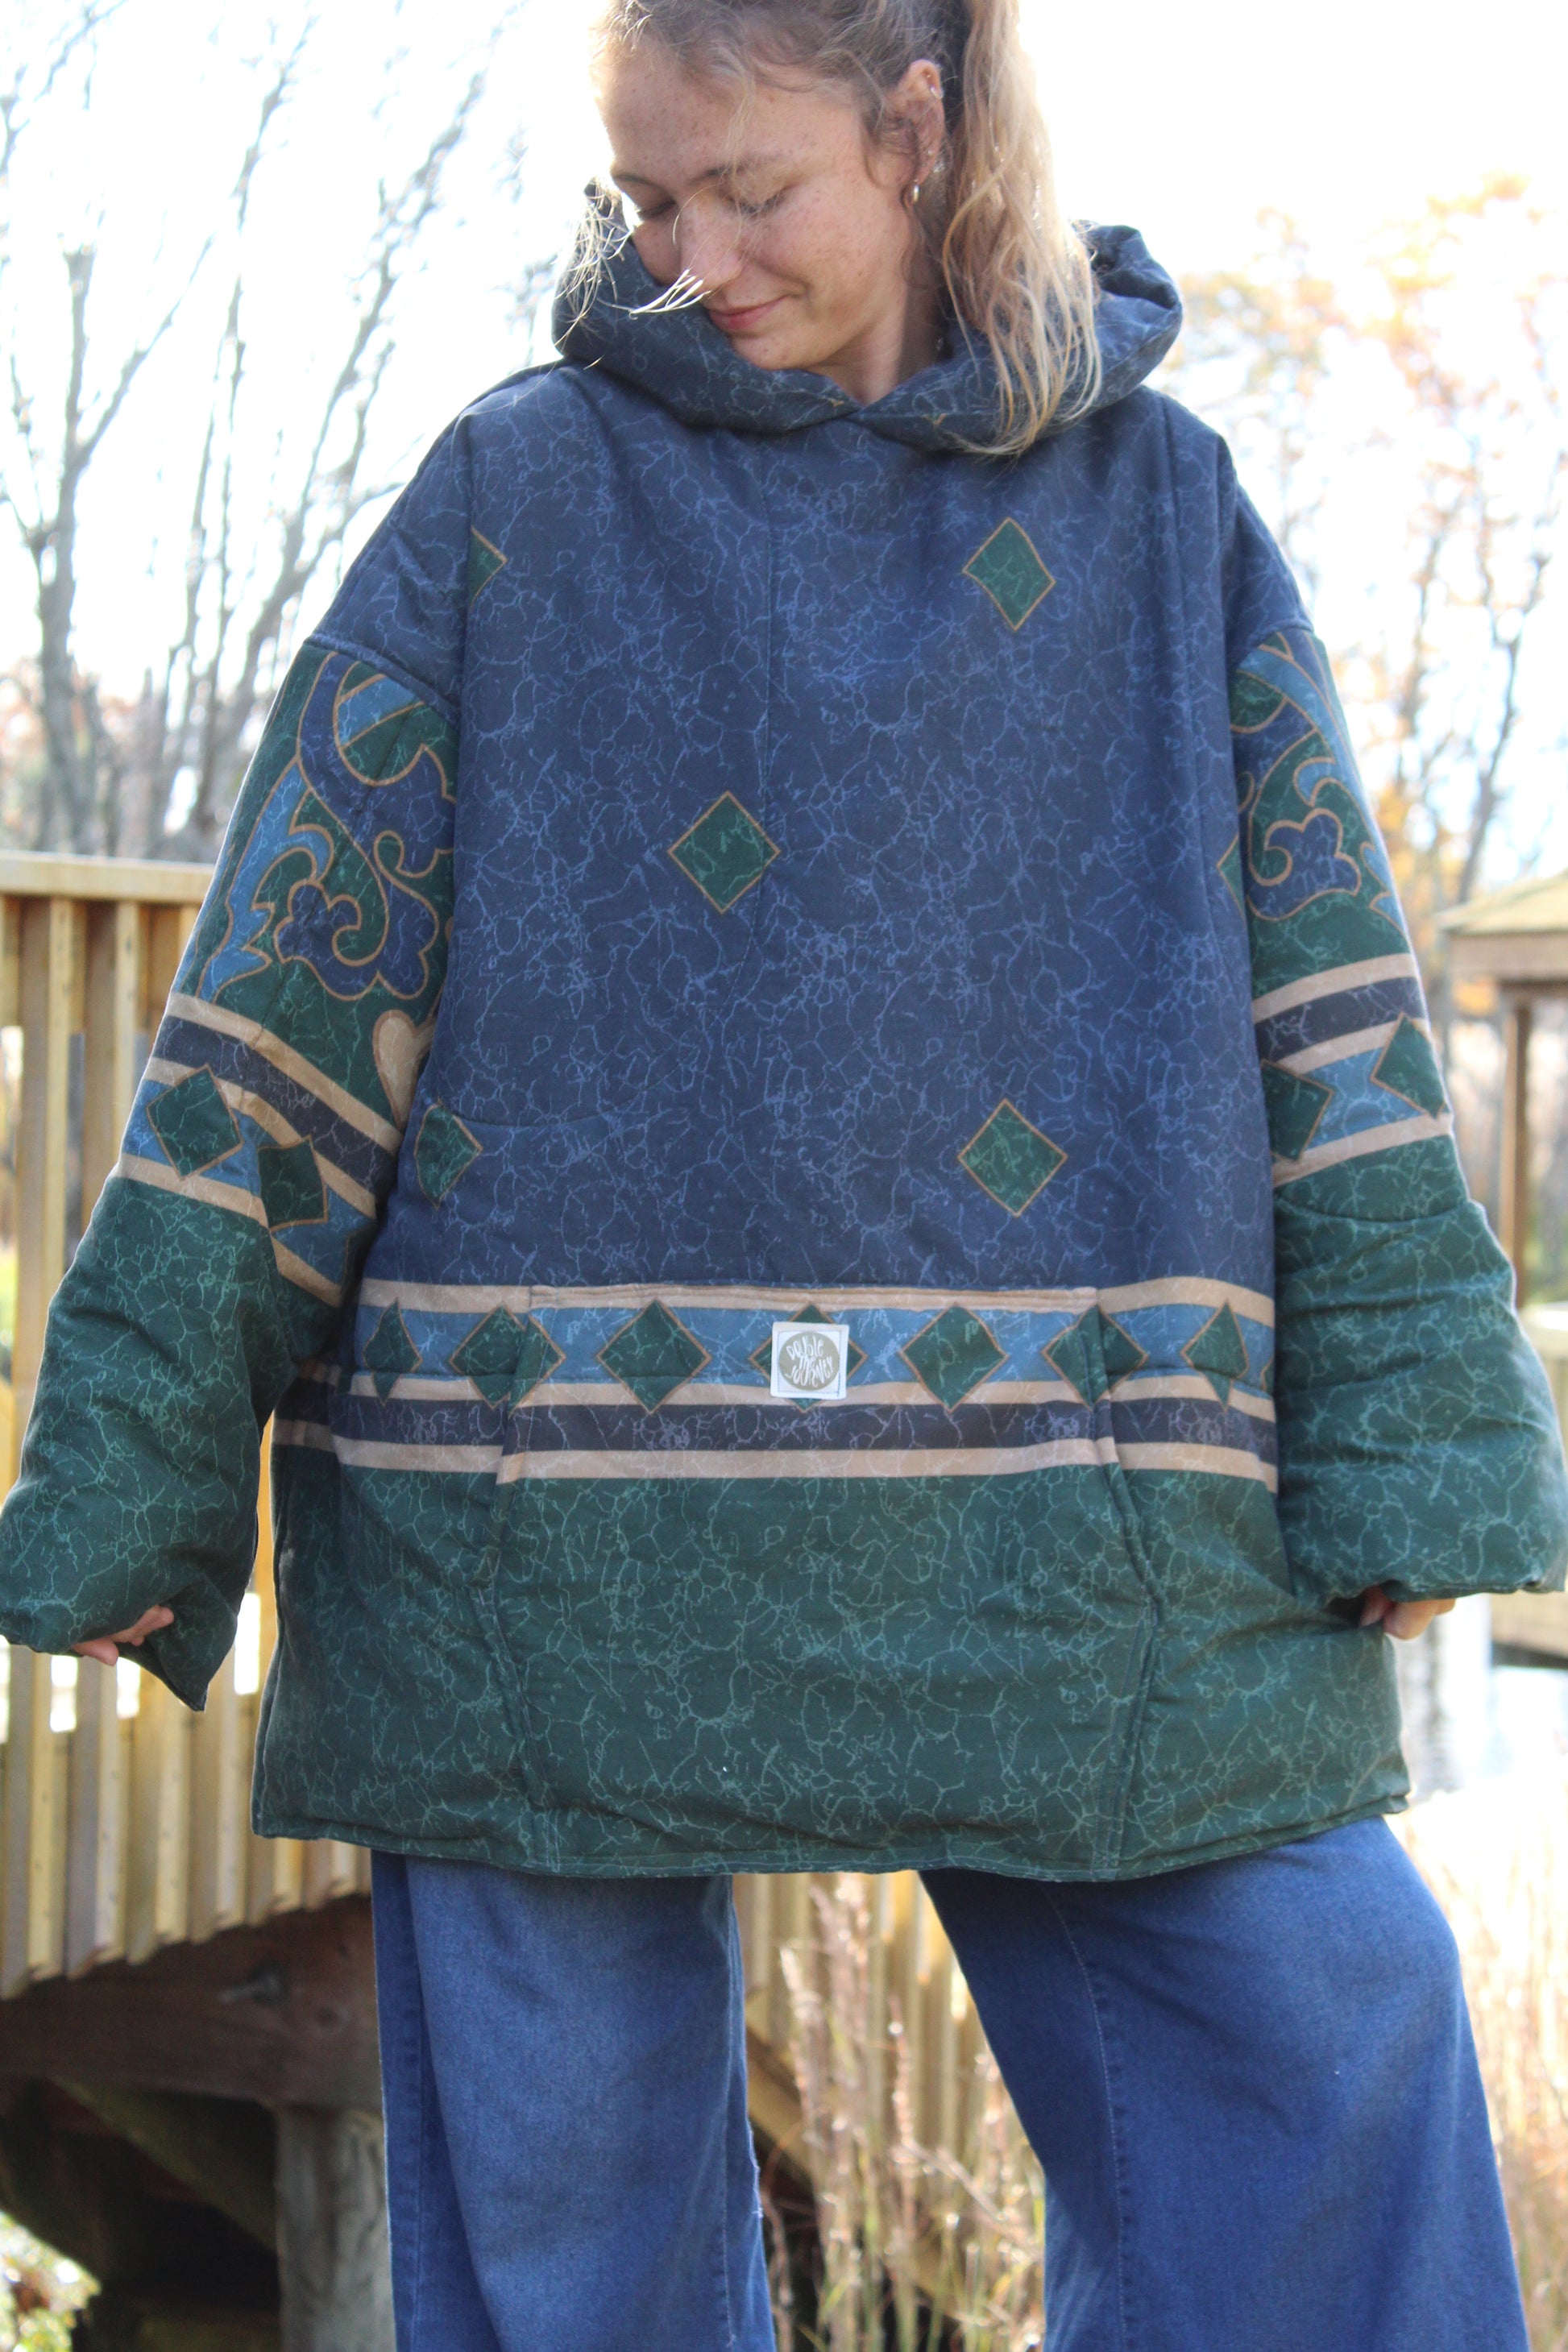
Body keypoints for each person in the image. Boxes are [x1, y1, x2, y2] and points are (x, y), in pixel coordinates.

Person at [2, 0, 1564, 2344]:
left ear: (920, 129)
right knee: (572, 2258)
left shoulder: (1161, 513)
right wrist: (137, 1453)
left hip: (1084, 1535)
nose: (690, 260)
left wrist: (1418, 1447)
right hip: (544, 1545)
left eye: (751, 192)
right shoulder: (512, 493)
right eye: (649, 200)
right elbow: (295, 991)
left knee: (1332, 2041)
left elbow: (1329, 1007)